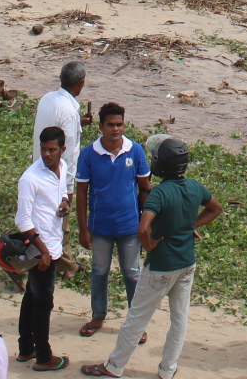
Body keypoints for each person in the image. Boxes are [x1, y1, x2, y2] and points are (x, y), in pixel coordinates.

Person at [84, 137, 224, 379]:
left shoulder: (159, 193)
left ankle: (114, 366)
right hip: (186, 263)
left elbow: (142, 228)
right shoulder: (194, 187)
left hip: (161, 266)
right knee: (179, 319)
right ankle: (168, 369)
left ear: (160, 165)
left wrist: (149, 245)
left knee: (137, 318)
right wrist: (190, 224)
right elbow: (216, 208)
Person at [76, 103, 153, 338]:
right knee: (99, 271)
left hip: (130, 227)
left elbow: (145, 188)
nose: (115, 129)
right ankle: (98, 316)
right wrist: (83, 229)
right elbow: (81, 193)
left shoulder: (135, 151)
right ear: (101, 126)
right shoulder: (88, 154)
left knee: (132, 273)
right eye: (110, 125)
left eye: (119, 124)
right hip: (100, 228)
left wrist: (146, 223)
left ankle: (136, 323)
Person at [16, 127, 73, 372]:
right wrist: (43, 251)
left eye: (52, 150)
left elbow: (63, 192)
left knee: (31, 297)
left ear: (62, 150)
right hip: (41, 251)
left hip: (54, 244)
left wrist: (65, 203)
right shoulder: (30, 179)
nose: (47, 154)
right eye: (44, 149)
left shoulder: (63, 168)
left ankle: (25, 349)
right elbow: (22, 220)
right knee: (43, 303)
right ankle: (43, 357)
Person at [34, 61, 89, 179]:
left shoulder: (46, 98)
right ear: (81, 82)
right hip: (54, 179)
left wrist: (78, 123)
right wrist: (67, 186)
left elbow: (53, 127)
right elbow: (69, 157)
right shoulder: (69, 111)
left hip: (38, 171)